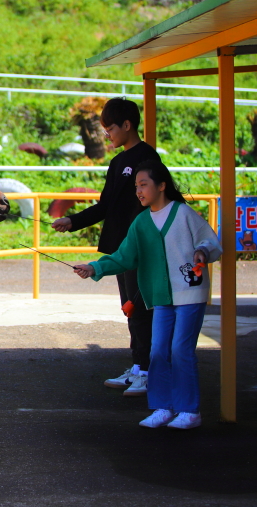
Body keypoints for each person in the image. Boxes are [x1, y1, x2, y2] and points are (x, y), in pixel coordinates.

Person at [73, 160, 222, 429]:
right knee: (157, 353)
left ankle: (190, 411)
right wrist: (94, 268)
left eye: (144, 185)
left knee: (180, 351)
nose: (139, 191)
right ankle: (163, 408)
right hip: (161, 297)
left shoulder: (184, 213)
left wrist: (202, 252)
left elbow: (210, 241)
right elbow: (124, 257)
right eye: (136, 186)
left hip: (189, 293)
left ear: (161, 186)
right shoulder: (141, 222)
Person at [51, 98, 160, 396]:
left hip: (142, 247)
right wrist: (73, 221)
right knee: (129, 309)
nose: (107, 134)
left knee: (140, 308)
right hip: (122, 249)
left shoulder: (148, 158)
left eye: (110, 128)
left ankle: (149, 371)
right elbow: (105, 206)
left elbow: (154, 203)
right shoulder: (116, 162)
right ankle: (139, 367)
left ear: (127, 125)